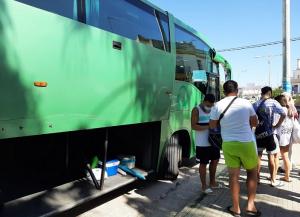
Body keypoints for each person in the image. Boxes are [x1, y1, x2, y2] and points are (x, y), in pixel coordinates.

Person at [210, 80, 259, 217]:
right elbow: (255, 122)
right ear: (237, 90)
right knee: (252, 173)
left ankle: (236, 208)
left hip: (229, 144)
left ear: (224, 91)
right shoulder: (245, 103)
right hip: (246, 143)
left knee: (233, 177)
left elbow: (212, 125)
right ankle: (251, 206)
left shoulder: (217, 105)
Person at [253, 86, 285, 187]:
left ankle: (257, 179)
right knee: (271, 157)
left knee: (258, 157)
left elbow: (251, 118)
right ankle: (273, 180)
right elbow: (283, 114)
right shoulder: (273, 102)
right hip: (269, 133)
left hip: (258, 134)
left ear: (261, 93)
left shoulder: (255, 104)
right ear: (270, 93)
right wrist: (277, 125)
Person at [191, 94, 219, 194]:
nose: (211, 106)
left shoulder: (214, 108)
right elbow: (193, 126)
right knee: (203, 163)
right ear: (205, 101)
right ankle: (204, 186)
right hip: (202, 143)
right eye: (209, 104)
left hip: (214, 141)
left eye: (212, 104)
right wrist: (209, 127)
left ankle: (212, 182)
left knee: (215, 161)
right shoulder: (196, 110)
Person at [274, 95, 293, 182]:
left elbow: (275, 124)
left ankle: (273, 177)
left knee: (276, 157)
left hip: (279, 136)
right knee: (285, 157)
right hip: (287, 136)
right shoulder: (290, 110)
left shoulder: (278, 111)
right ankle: (287, 176)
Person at [278, 92, 298, 173]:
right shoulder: (292, 106)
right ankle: (288, 168)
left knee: (286, 153)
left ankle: (285, 168)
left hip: (289, 132)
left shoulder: (287, 107)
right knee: (288, 152)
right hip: (290, 132)